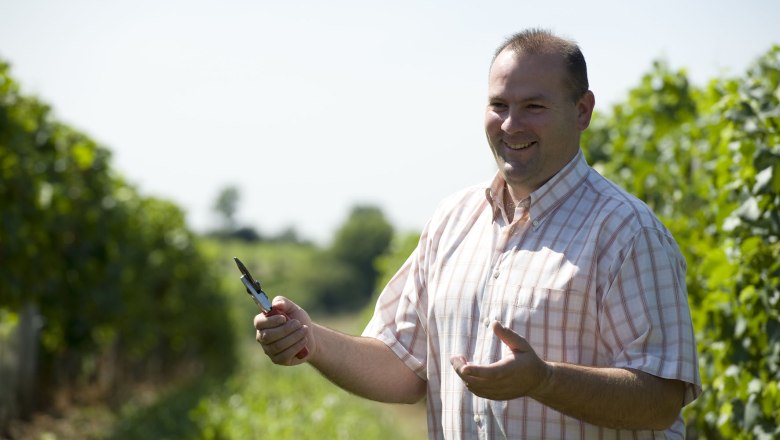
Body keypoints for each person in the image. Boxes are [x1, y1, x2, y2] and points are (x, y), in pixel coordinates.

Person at [254, 28, 701, 439]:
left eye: (534, 107)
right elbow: (403, 365)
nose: (511, 124)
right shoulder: (453, 220)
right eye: (499, 105)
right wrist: (311, 340)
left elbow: (660, 400)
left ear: (582, 111)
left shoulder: (627, 233)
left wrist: (544, 380)